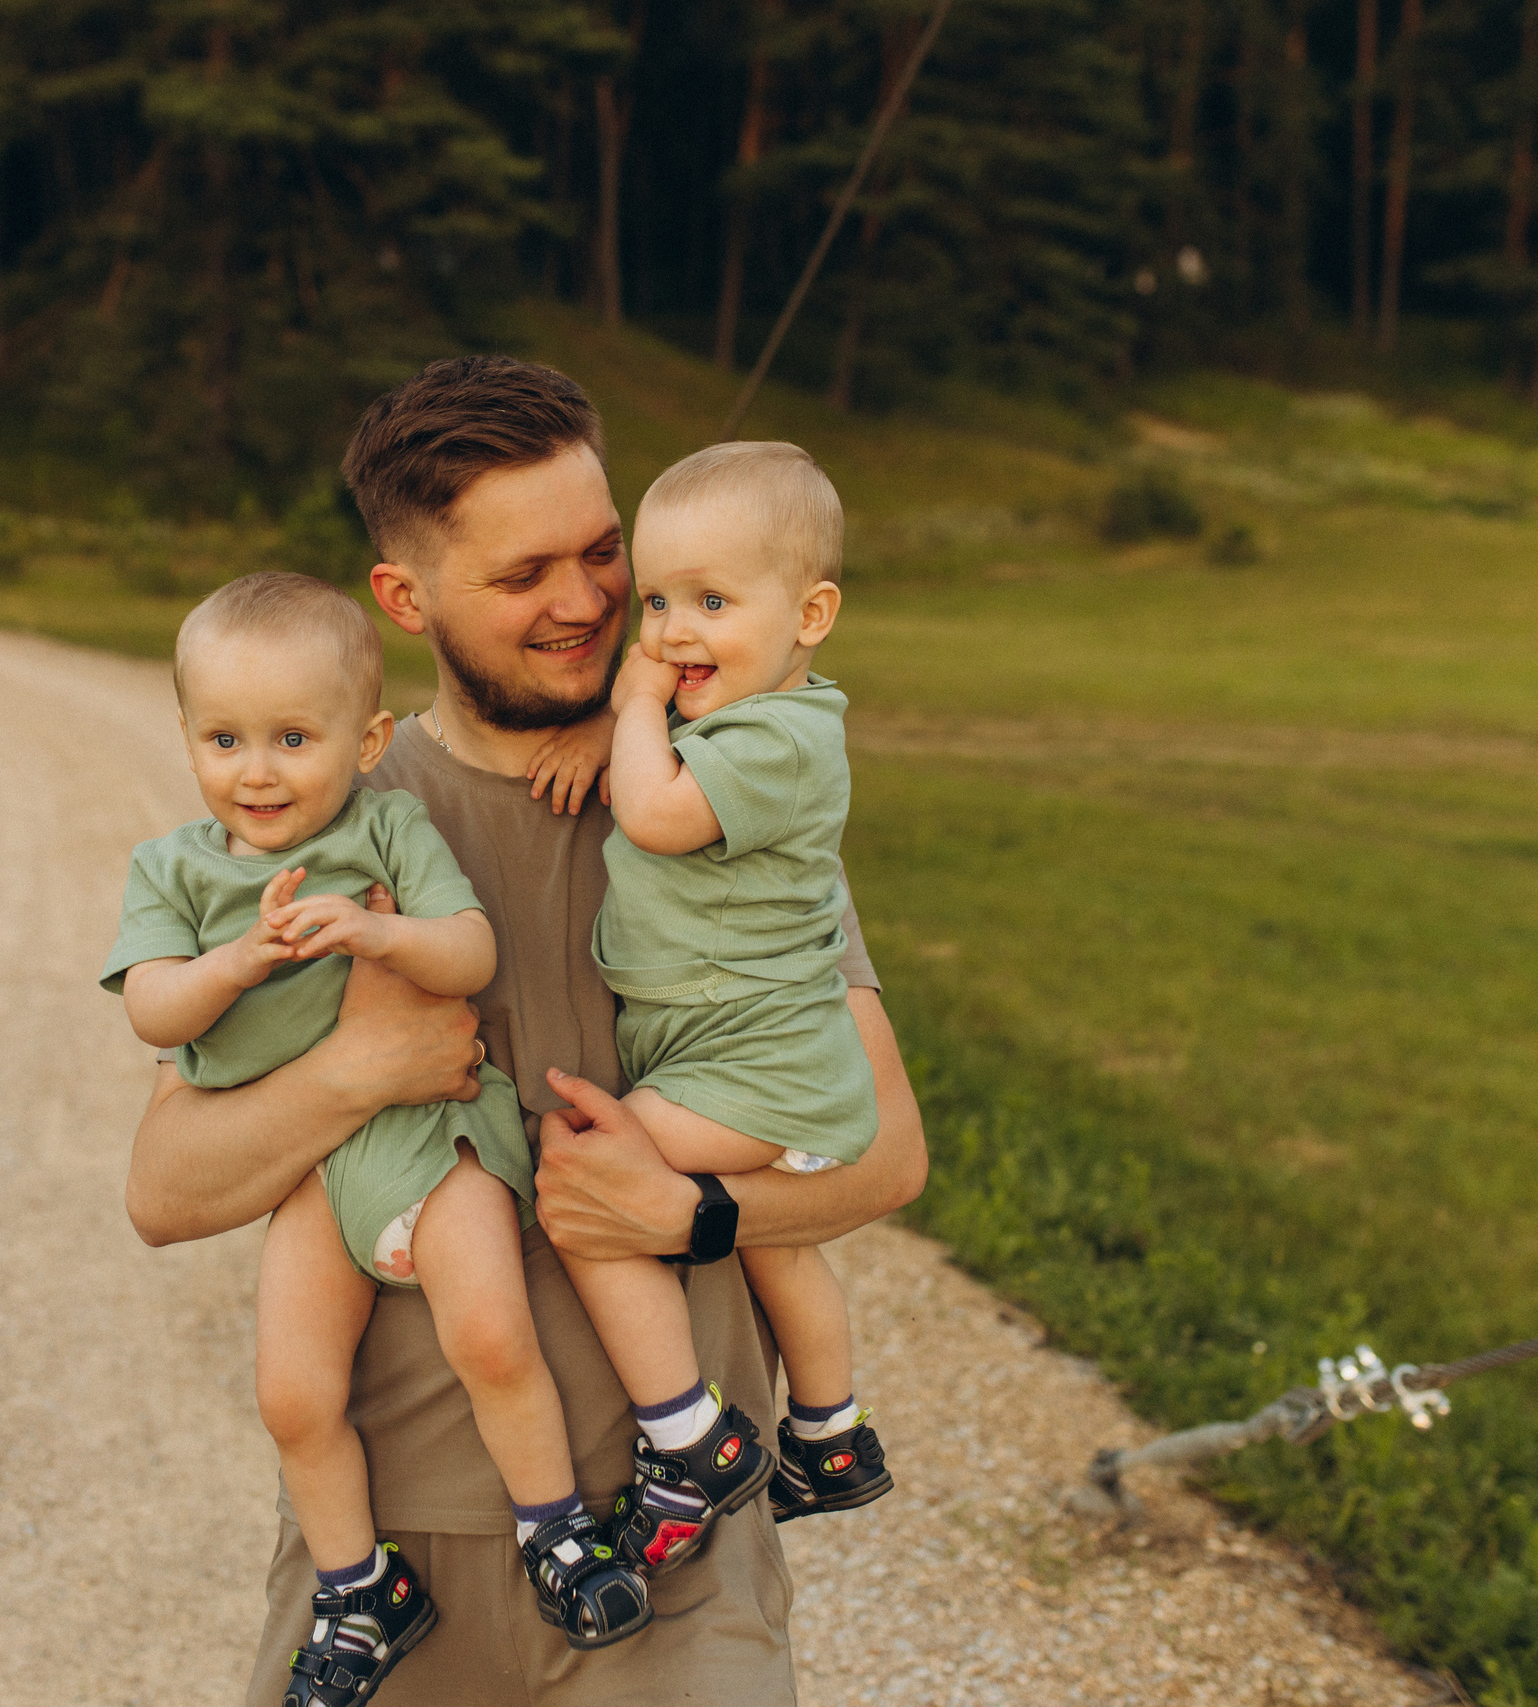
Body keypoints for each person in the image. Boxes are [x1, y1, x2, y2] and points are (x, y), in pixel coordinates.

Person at [123, 355, 928, 1706]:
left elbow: (887, 1153)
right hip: (405, 1543)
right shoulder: (333, 824)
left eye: (604, 552)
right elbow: (164, 1189)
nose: (588, 603)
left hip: (681, 1566)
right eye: (523, 574)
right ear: (405, 597)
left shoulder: (725, 793)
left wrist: (690, 1211)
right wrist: (356, 1067)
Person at [103, 573, 655, 1707]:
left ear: (367, 743)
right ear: (185, 740)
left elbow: (468, 954)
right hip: (310, 1170)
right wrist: (236, 963)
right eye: (224, 738)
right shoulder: (175, 870)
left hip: (425, 1130)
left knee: (492, 1333)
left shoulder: (385, 826)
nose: (256, 770)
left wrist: (377, 931)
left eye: (293, 738)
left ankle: (555, 1533)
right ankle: (359, 1587)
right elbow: (153, 1008)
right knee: (294, 1395)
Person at [574, 441, 895, 1569]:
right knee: (777, 1253)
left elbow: (654, 815)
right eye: (656, 602)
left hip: (754, 1065)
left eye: (712, 601)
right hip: (765, 1059)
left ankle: (688, 1437)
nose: (671, 633)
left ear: (810, 614)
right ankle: (830, 1431)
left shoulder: (782, 738)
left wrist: (626, 705)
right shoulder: (738, 725)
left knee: (589, 1188)